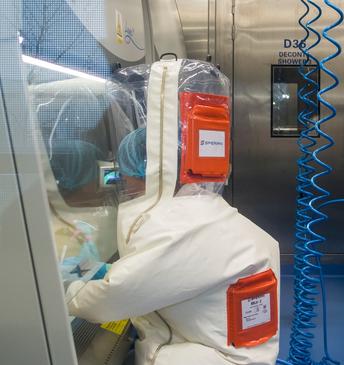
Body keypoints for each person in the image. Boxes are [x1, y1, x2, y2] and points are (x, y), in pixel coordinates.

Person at [66, 59, 281, 365]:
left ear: (153, 172)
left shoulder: (182, 228)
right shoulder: (208, 213)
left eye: (126, 173)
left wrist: (68, 290)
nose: (122, 181)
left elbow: (111, 299)